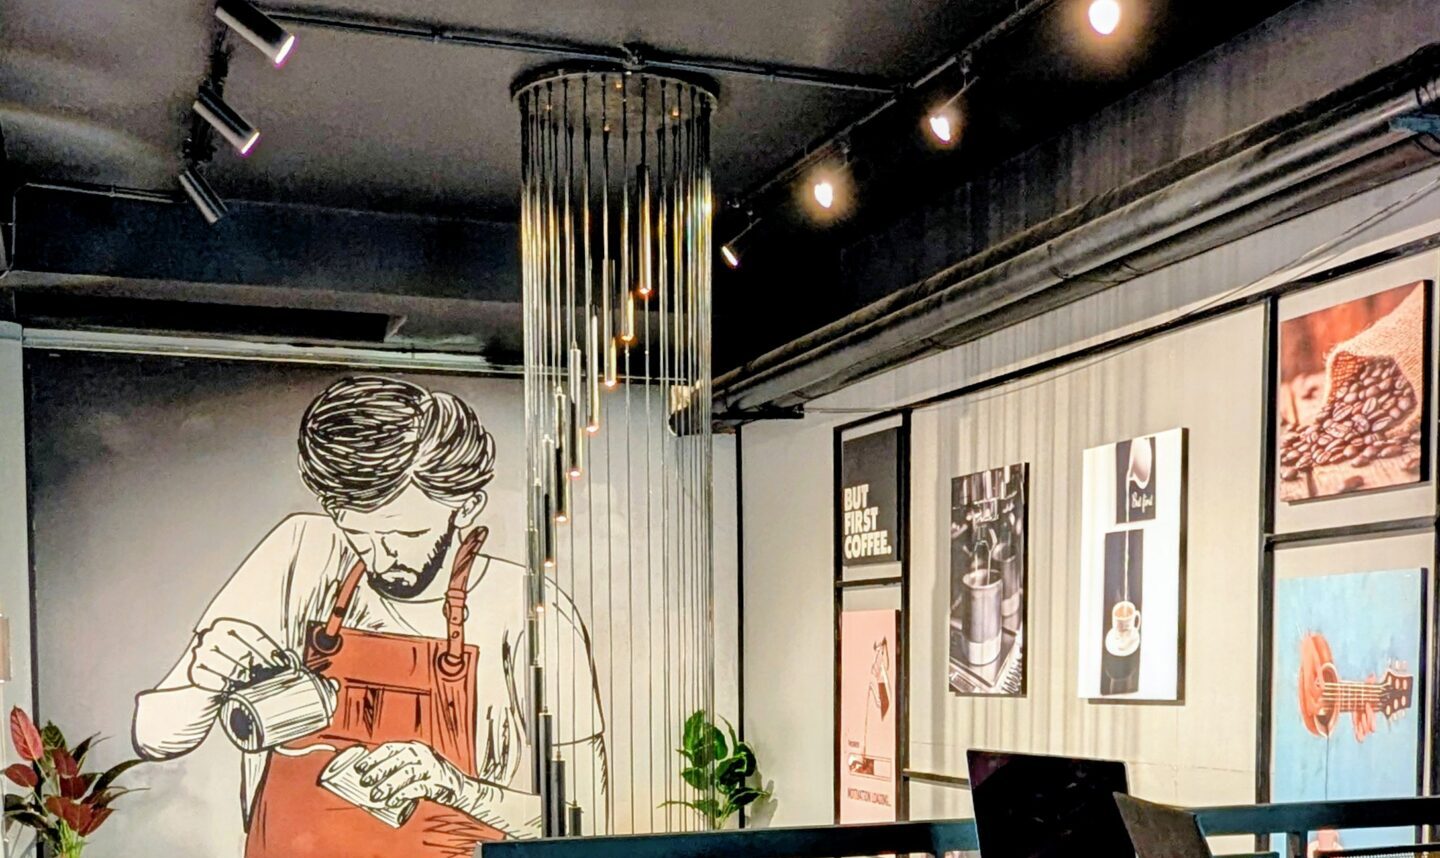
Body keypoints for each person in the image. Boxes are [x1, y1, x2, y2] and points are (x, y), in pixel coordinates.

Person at [132, 375, 606, 857]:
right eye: (359, 534)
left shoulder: (524, 610)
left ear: (466, 507)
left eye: (407, 534)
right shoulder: (303, 553)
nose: (382, 558)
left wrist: (454, 787)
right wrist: (204, 682)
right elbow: (154, 738)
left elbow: (584, 817)